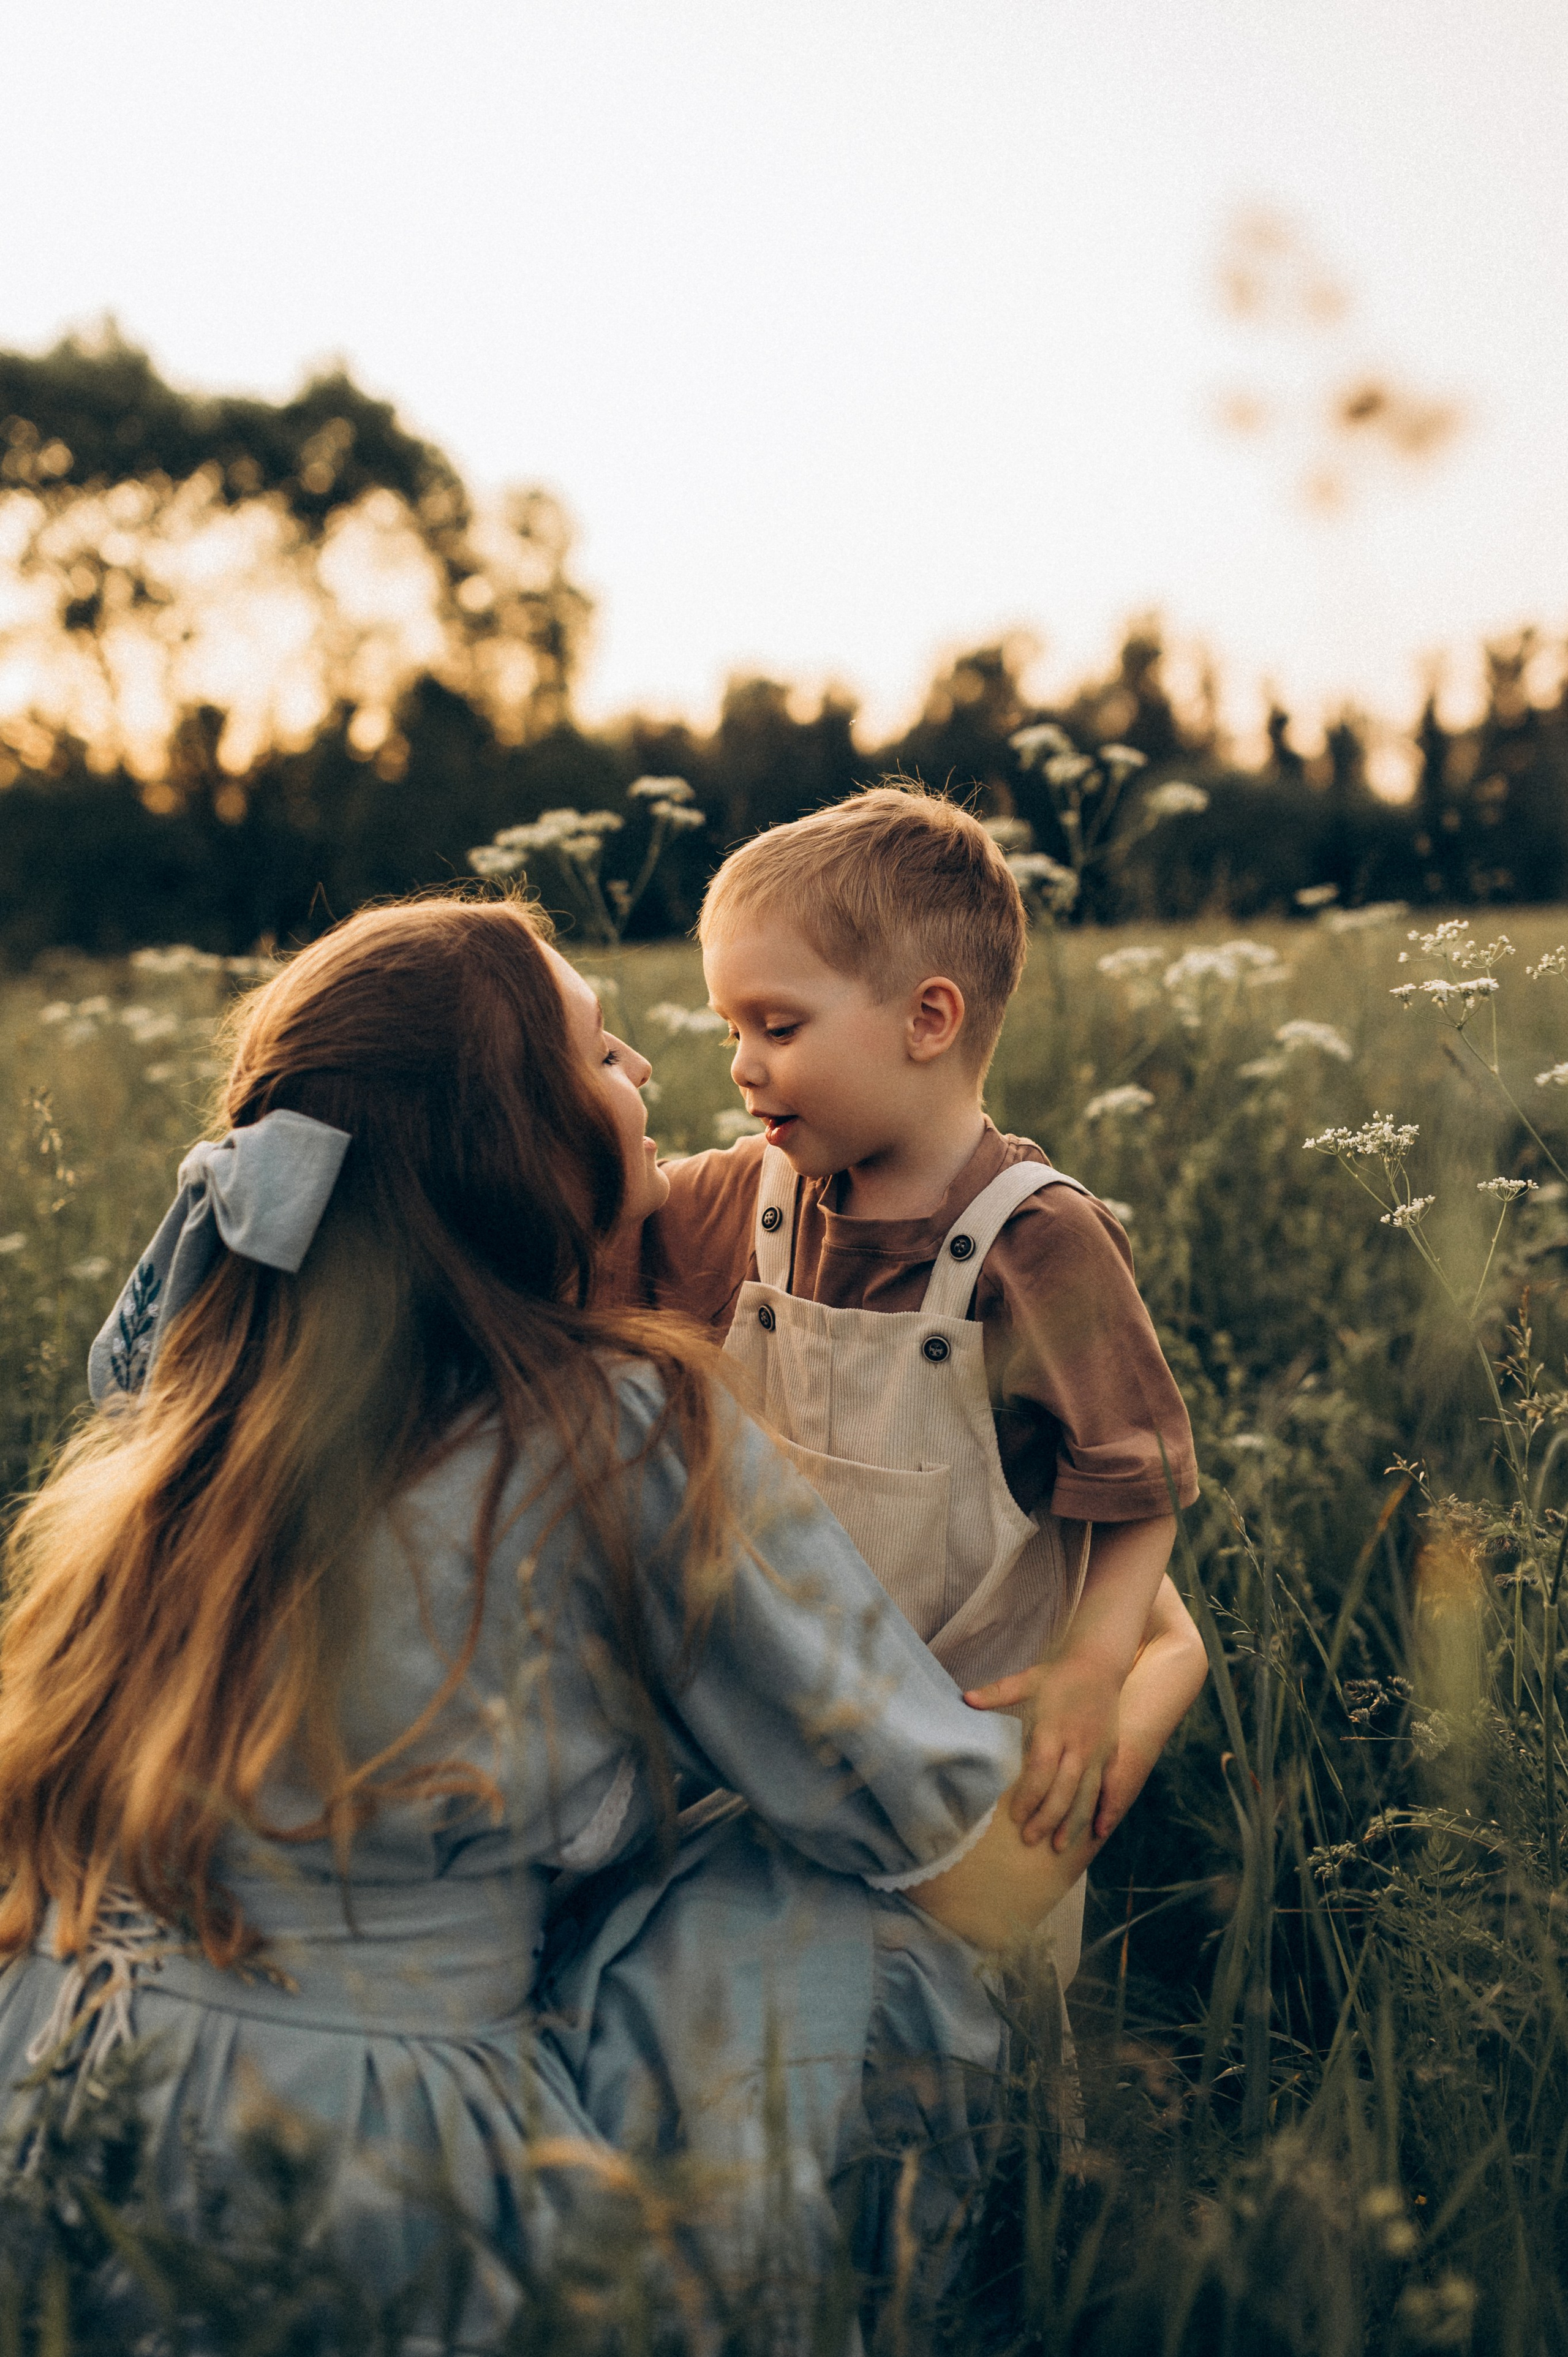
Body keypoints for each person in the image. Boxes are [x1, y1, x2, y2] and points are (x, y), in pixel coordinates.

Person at [0, 894, 1128, 2346]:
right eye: (602, 1053)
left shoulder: (187, 1422)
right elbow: (984, 1873)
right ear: (516, 1140)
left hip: (51, 2090)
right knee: (838, 1907)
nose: (651, 1074)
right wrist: (1145, 1665)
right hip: (362, 2166)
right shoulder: (616, 1426)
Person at [602, 785, 1207, 2012]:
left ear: (928, 1019)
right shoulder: (744, 1199)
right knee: (739, 2018)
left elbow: (1140, 1479)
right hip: (769, 1746)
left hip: (967, 1780)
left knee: (965, 2063)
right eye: (729, 1026)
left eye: (776, 1024)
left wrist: (1096, 1662)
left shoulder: (1039, 1245)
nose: (740, 1064)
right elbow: (584, 1265)